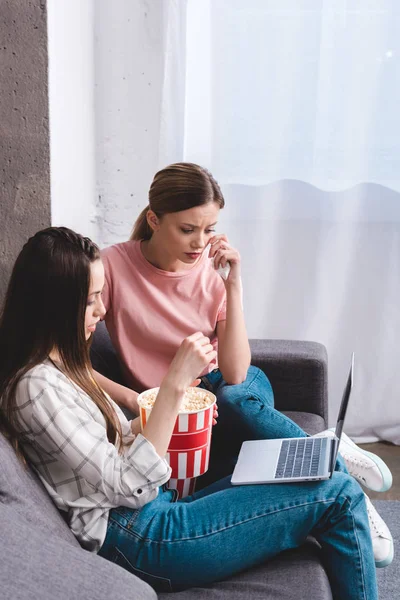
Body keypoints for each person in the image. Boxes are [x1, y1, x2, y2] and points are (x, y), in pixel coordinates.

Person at [0, 227, 381, 598]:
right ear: (53, 305)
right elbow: (126, 484)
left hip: (154, 511)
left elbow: (112, 444)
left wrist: (174, 415)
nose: (101, 310)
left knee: (305, 469)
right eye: (90, 300)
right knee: (340, 495)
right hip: (139, 536)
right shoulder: (35, 387)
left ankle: (327, 454)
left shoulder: (64, 368)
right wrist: (173, 385)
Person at [95, 162, 393, 568]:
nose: (200, 242)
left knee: (236, 396)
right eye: (187, 229)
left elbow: (235, 372)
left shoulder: (211, 272)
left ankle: (344, 486)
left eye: (209, 228)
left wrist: (232, 284)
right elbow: (71, 360)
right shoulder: (112, 266)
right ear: (154, 218)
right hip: (177, 408)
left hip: (229, 385)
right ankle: (327, 444)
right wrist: (134, 397)